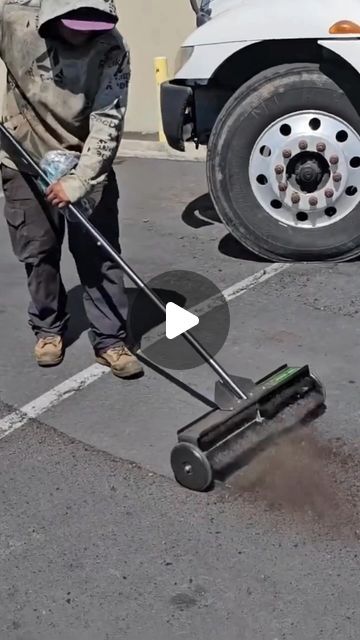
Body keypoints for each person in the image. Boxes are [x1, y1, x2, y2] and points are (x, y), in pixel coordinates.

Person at [0, 0, 144, 379]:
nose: (83, 33)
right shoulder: (15, 24)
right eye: (74, 24)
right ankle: (49, 329)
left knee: (99, 253)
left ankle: (111, 339)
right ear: (52, 18)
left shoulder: (112, 48)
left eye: (92, 24)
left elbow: (107, 120)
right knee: (39, 252)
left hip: (83, 161)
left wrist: (79, 181)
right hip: (23, 156)